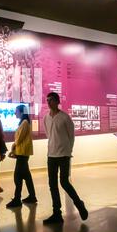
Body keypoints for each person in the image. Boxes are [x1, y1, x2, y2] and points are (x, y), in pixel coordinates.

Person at [43, 92, 88, 224]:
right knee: (52, 184)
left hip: (63, 155)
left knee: (64, 182)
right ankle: (57, 213)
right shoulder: (46, 118)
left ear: (57, 102)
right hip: (51, 155)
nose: (48, 102)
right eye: (47, 100)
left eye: (51, 100)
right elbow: (49, 135)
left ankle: (79, 204)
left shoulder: (65, 118)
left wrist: (68, 151)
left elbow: (71, 136)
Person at [6, 105, 37, 208]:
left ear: (21, 112)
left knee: (17, 176)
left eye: (16, 111)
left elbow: (19, 139)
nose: (15, 113)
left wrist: (12, 148)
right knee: (26, 176)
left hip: (22, 153)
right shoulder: (24, 122)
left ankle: (17, 199)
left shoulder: (24, 123)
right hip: (22, 153)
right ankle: (32, 196)